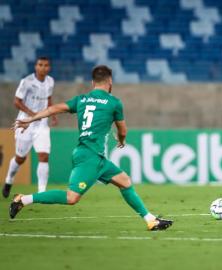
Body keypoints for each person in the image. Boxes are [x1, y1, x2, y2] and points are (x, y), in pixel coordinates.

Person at [9, 65, 173, 231]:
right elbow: (123, 130)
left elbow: (54, 108)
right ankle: (22, 199)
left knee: (125, 182)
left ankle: (150, 220)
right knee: (71, 197)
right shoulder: (114, 102)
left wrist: (31, 118)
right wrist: (121, 140)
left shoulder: (82, 99)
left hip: (95, 157)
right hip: (89, 157)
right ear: (110, 81)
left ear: (92, 82)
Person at [2, 56, 57, 198]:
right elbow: (17, 102)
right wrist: (32, 114)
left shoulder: (50, 81)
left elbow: (49, 99)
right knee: (20, 158)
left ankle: (41, 193)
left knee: (44, 156)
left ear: (49, 67)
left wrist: (53, 115)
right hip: (24, 124)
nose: (43, 67)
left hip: (42, 125)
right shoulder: (26, 82)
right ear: (36, 66)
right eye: (40, 65)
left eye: (46, 65)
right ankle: (9, 180)